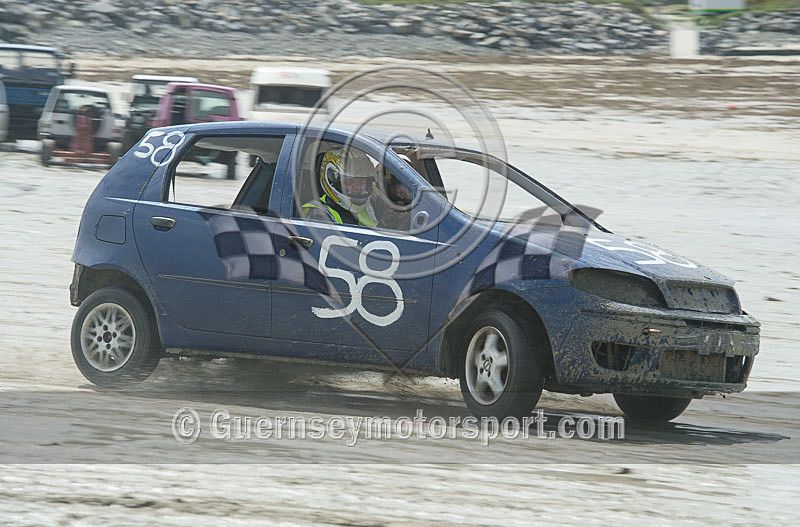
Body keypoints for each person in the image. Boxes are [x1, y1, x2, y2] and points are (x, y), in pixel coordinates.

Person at [301, 147, 379, 227]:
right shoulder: (317, 214)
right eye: (351, 182)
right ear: (333, 181)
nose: (357, 187)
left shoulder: (369, 206)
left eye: (360, 182)